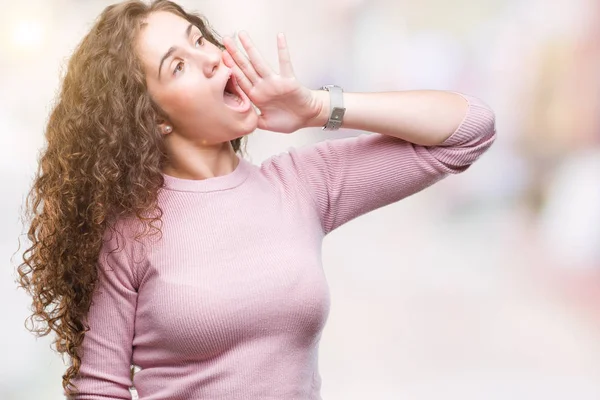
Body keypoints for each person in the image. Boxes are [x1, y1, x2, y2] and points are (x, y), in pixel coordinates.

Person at [16, 0, 496, 399]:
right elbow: (100, 389)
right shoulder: (129, 234)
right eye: (177, 64)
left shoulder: (300, 184)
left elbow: (470, 130)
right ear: (152, 116)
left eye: (199, 39)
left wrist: (316, 107)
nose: (208, 58)